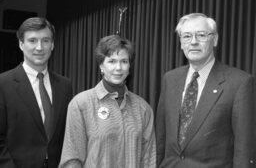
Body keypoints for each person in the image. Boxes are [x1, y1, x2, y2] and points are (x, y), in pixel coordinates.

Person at [156, 13, 256, 168]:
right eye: (187, 36)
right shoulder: (170, 79)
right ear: (181, 43)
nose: (193, 42)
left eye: (201, 35)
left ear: (214, 39)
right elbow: (161, 139)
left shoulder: (240, 83)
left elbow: (244, 150)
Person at [58, 34, 156, 168]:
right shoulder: (81, 104)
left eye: (124, 61)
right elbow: (71, 160)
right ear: (101, 65)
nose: (118, 68)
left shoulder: (143, 108)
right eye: (112, 61)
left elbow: (148, 160)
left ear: (129, 66)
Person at [0, 17, 73, 168]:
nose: (39, 47)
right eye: (32, 41)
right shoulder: (3, 83)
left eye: (45, 41)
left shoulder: (65, 85)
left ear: (52, 45)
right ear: (21, 44)